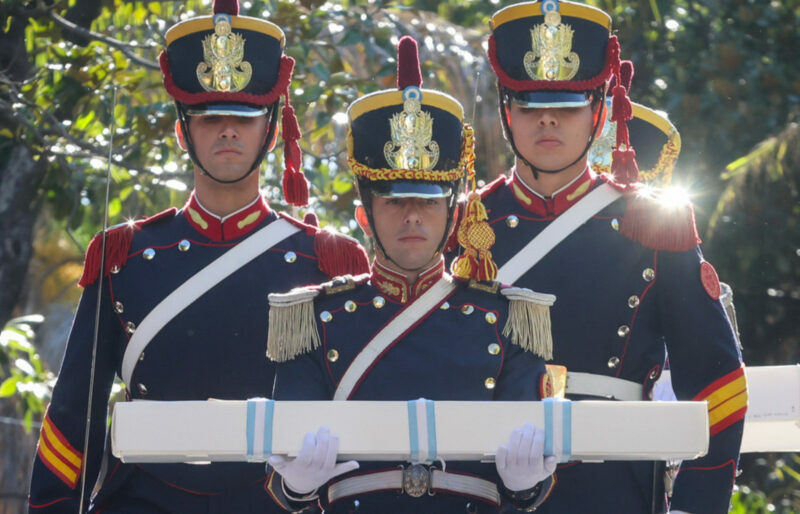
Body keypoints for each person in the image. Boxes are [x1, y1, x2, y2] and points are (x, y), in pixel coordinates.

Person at [27, 1, 368, 512]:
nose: (227, 131)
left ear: (271, 130)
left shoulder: (323, 262)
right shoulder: (126, 257)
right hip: (143, 500)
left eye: (244, 117)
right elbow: (77, 409)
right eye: (209, 118)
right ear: (181, 130)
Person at [456, 1, 747, 512]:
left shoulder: (655, 223)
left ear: (598, 110)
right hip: (482, 484)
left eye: (567, 104)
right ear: (505, 110)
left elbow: (718, 380)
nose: (547, 118)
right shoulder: (466, 226)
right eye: (526, 103)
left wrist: (695, 504)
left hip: (615, 485)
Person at [263, 36, 558, 513]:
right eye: (396, 201)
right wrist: (297, 484)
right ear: (365, 217)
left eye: (427, 203)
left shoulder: (507, 315)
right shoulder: (314, 318)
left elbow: (530, 485)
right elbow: (283, 479)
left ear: (454, 216)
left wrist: (523, 483)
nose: (413, 217)